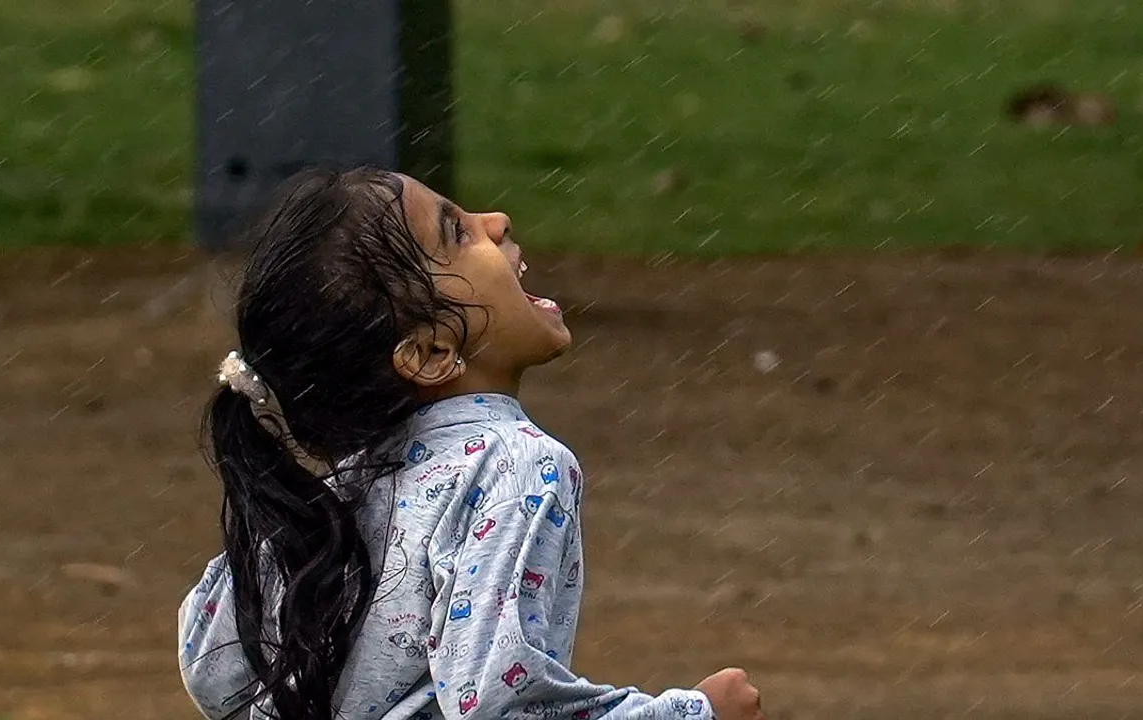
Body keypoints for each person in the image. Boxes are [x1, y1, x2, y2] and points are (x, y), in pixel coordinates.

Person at [177, 168, 766, 720]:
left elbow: (216, 668)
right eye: (456, 232)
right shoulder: (515, 464)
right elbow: (499, 705)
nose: (498, 220)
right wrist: (697, 711)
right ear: (431, 353)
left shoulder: (340, 487)